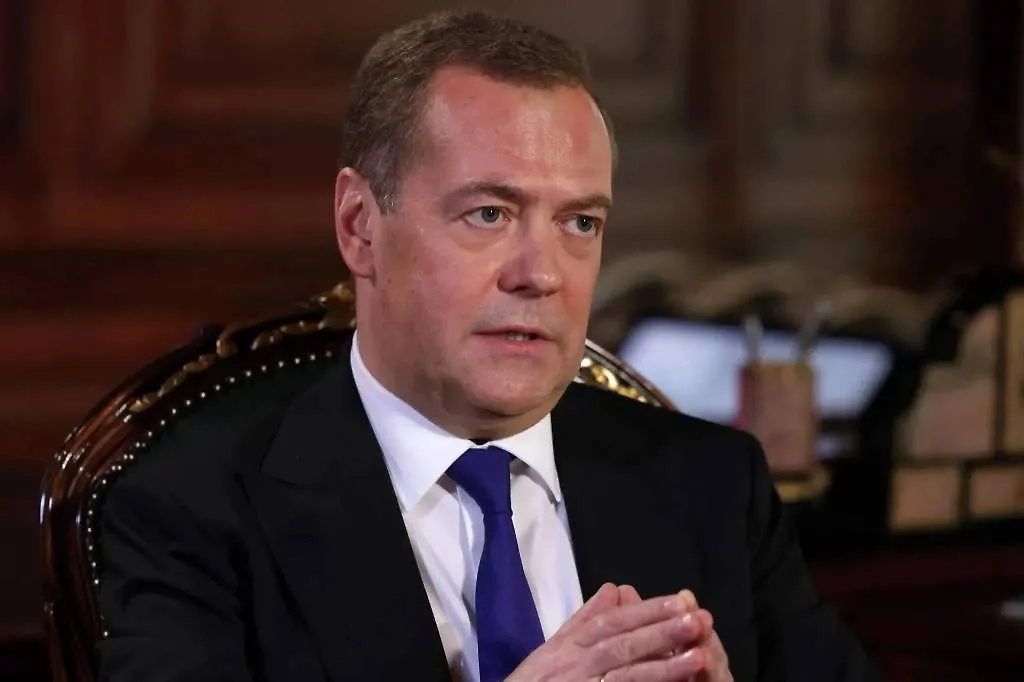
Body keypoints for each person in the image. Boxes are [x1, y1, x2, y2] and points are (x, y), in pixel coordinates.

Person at [97, 9, 880, 682]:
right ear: (360, 227)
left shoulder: (712, 485)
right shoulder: (190, 506)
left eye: (580, 223)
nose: (542, 274)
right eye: (489, 214)